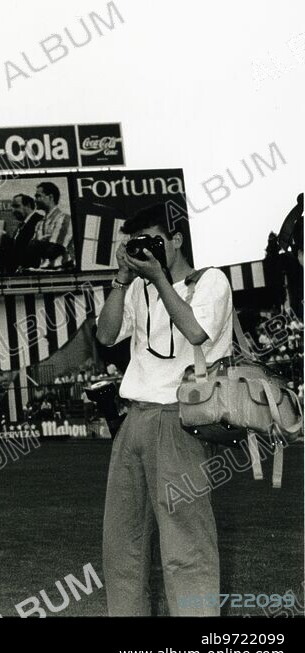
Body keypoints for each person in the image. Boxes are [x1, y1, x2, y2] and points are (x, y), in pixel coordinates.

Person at [95, 203, 233, 616]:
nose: (146, 251)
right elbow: (105, 335)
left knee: (185, 542)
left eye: (154, 240)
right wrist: (123, 280)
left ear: (176, 240)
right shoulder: (137, 287)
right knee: (122, 543)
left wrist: (160, 279)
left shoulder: (210, 282)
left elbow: (195, 331)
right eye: (137, 244)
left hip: (179, 419)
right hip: (134, 418)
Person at [33, 182, 75, 269]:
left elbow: (55, 250)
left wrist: (39, 244)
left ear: (51, 197)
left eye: (38, 196)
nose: (35, 199)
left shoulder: (64, 218)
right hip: (44, 269)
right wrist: (45, 243)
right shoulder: (40, 223)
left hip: (63, 269)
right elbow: (33, 249)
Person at [10, 194, 43, 271]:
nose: (13, 210)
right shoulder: (22, 225)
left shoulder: (39, 221)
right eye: (12, 207)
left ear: (28, 205)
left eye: (16, 206)